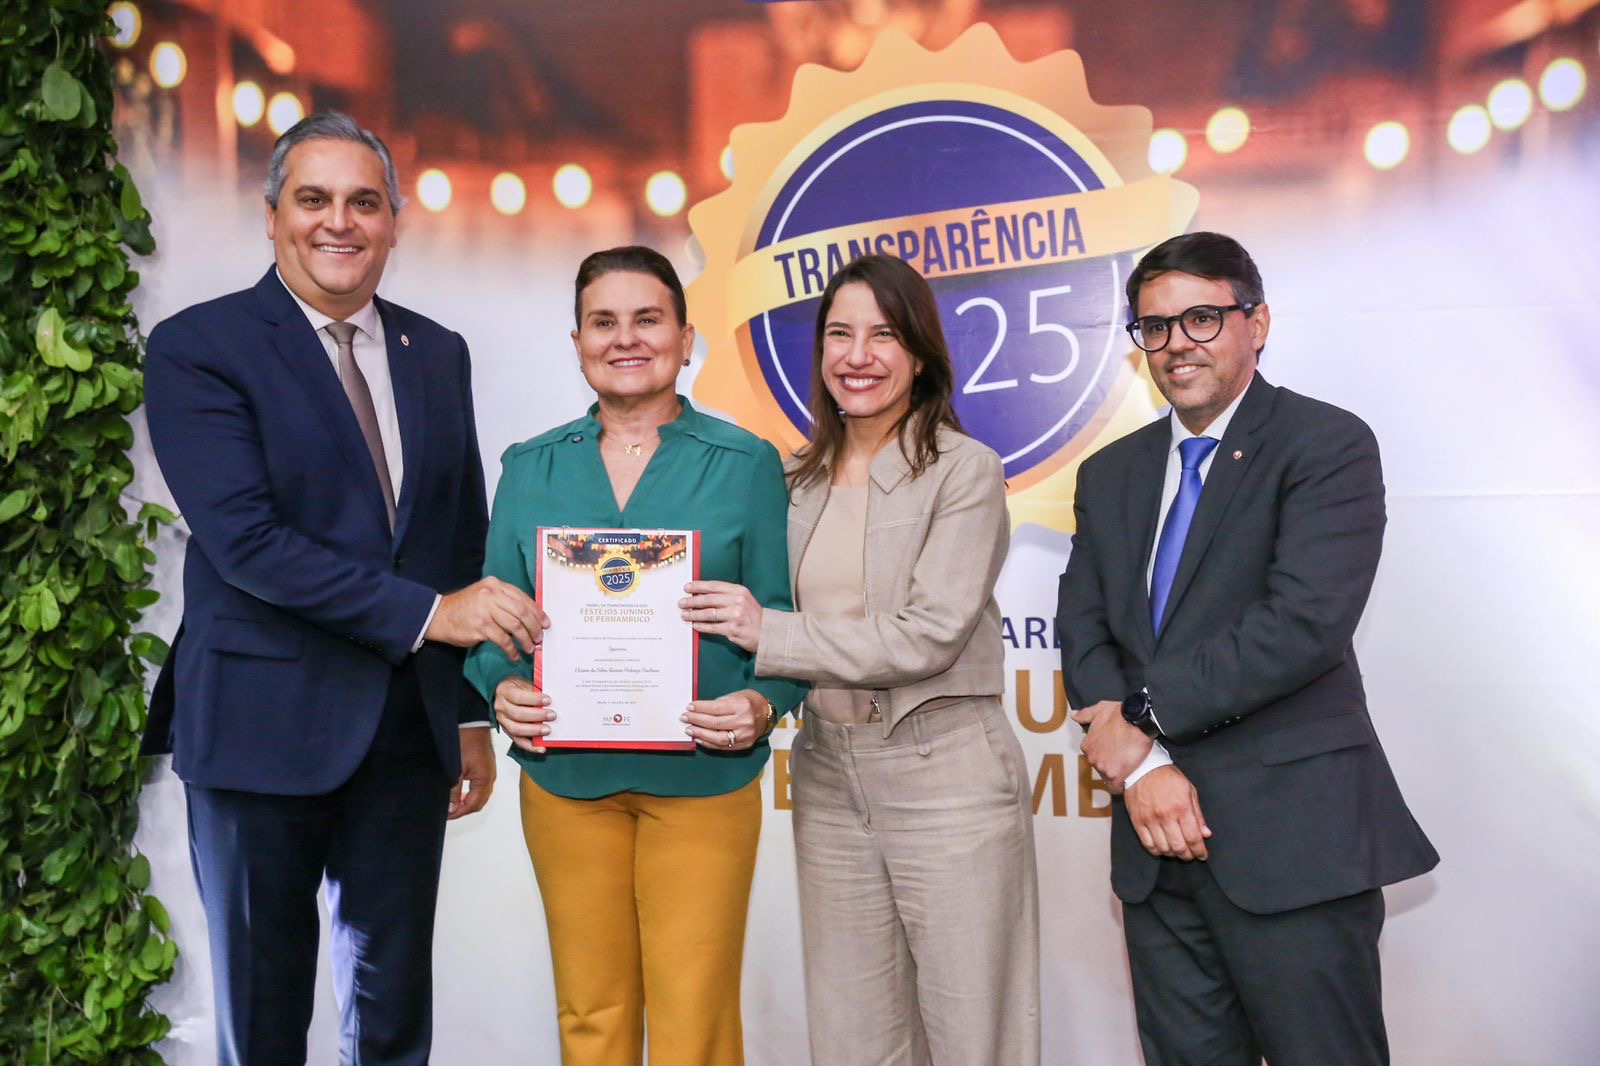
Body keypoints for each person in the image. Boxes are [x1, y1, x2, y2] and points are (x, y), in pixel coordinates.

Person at [142, 111, 544, 1064]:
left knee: (392, 1020)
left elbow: (455, 533)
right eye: (313, 199)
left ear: (394, 223)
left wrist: (468, 714)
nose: (339, 222)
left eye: (364, 202)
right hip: (258, 736)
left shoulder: (435, 351)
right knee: (263, 1021)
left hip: (403, 736)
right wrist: (433, 617)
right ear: (272, 215)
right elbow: (247, 543)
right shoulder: (199, 346)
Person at [1056, 231, 1439, 1064]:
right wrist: (1145, 772)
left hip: (1293, 845)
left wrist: (1140, 724)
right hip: (1156, 849)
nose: (1176, 344)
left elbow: (1300, 624)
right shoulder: (1110, 474)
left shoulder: (1325, 444)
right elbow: (1083, 629)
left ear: (1256, 323)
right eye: (1155, 327)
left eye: (1201, 318)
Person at [682, 254, 1041, 1065]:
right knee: (852, 1042)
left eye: (883, 335)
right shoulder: (789, 479)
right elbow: (740, 603)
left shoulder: (964, 471)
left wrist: (769, 634)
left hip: (947, 777)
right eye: (839, 334)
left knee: (975, 1038)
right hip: (828, 776)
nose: (858, 355)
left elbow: (927, 635)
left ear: (920, 352)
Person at [463, 246, 806, 1066]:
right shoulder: (529, 466)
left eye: (647, 320)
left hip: (704, 779)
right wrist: (502, 685)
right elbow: (489, 624)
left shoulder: (746, 463)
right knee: (591, 1013)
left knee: (695, 1020)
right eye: (603, 322)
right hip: (566, 783)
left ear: (686, 339)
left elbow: (786, 622)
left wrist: (764, 704)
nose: (625, 339)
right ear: (578, 341)